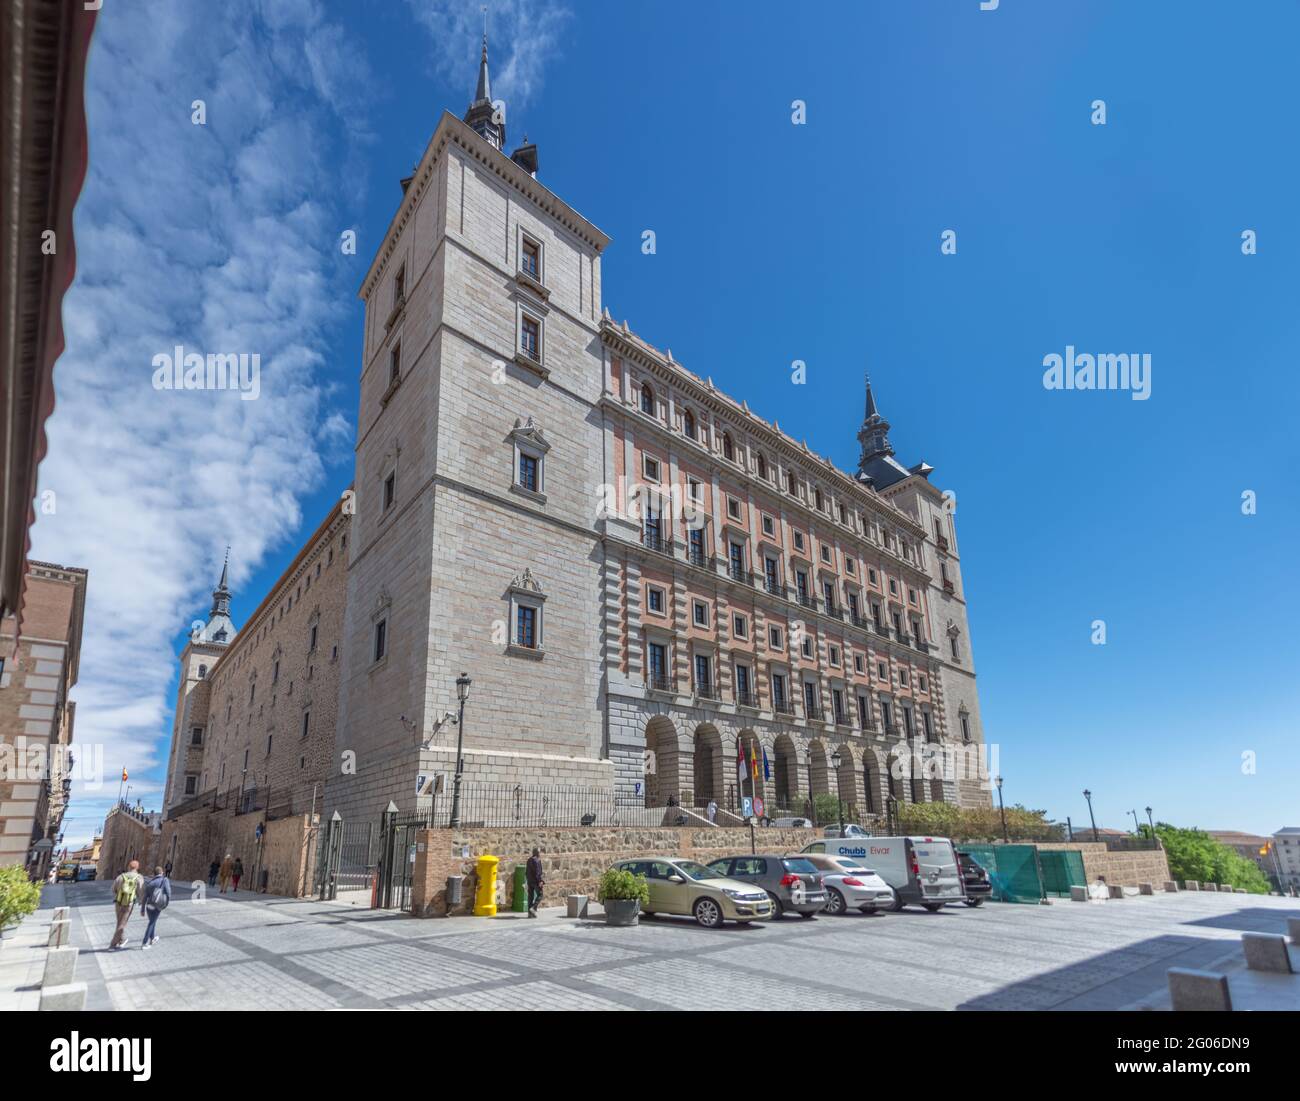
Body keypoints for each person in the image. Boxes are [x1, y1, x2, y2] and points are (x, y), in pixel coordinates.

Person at [109, 860, 144, 949]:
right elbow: (140, 890)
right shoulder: (138, 877)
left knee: (120, 922)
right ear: (137, 868)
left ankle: (121, 940)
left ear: (129, 867)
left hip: (118, 901)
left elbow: (113, 889)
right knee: (122, 924)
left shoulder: (121, 876)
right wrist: (141, 901)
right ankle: (113, 944)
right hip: (129, 903)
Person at [140, 865, 171, 948]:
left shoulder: (150, 883)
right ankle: (144, 943)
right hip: (157, 906)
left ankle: (152, 938)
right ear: (162, 872)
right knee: (152, 923)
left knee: (152, 922)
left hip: (149, 906)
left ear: (154, 874)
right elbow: (168, 893)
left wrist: (142, 909)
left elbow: (144, 897)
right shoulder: (165, 880)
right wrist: (165, 904)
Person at [525, 848, 544, 917]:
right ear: (537, 853)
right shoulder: (537, 860)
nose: (540, 854)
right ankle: (533, 908)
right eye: (539, 852)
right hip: (536, 881)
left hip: (530, 881)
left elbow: (526, 872)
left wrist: (527, 880)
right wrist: (540, 881)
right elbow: (538, 873)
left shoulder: (529, 860)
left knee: (530, 897)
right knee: (540, 895)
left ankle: (530, 914)